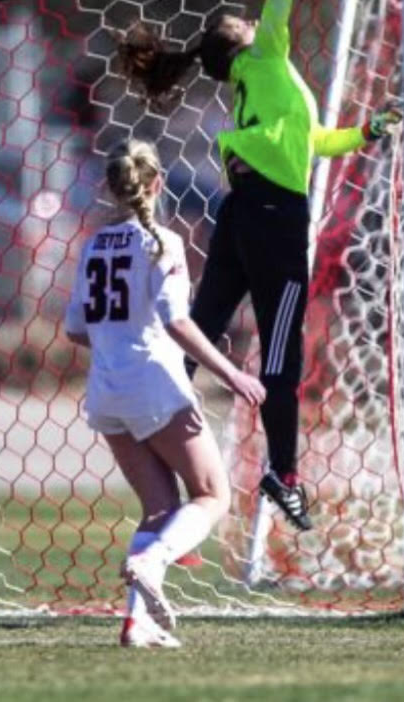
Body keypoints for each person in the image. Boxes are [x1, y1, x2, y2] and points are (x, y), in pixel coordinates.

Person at [114, 0, 402, 531]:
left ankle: (153, 438)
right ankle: (283, 470)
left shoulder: (264, 85)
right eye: (245, 20)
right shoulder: (265, 58)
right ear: (241, 40)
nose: (254, 16)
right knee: (279, 352)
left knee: (205, 325)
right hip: (273, 215)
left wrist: (367, 132)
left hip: (243, 209)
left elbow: (311, 143)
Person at [64, 139, 266, 647]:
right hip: (152, 383)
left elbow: (74, 329)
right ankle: (152, 560)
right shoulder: (164, 242)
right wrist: (232, 375)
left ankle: (138, 623)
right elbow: (176, 322)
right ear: (156, 185)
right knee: (212, 495)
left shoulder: (93, 245)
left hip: (105, 392)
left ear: (113, 190)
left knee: (159, 507)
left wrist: (116, 334)